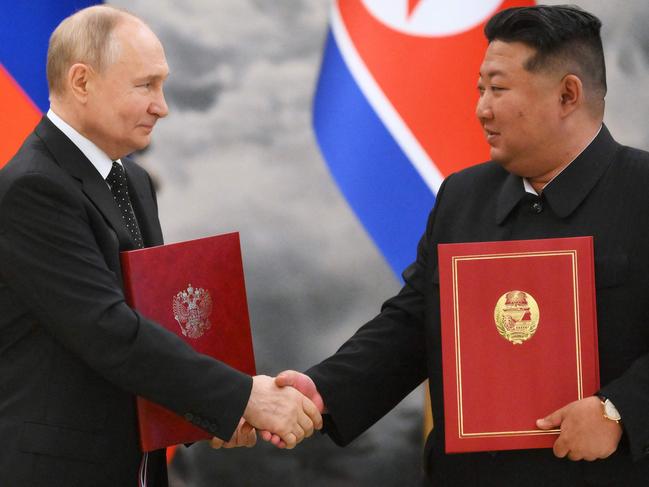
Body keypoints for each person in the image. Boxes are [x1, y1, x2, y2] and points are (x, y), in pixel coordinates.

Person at [267, 5, 649, 486]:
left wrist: (620, 412)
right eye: (480, 89)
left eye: (499, 89)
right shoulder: (463, 196)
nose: (481, 108)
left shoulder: (642, 192)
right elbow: (412, 321)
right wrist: (321, 391)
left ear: (568, 94)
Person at [0, 5, 321, 487]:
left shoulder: (133, 179)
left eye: (163, 85)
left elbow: (156, 320)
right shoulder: (33, 189)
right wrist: (242, 398)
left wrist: (211, 412)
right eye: (145, 85)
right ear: (82, 82)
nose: (162, 105)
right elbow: (109, 331)